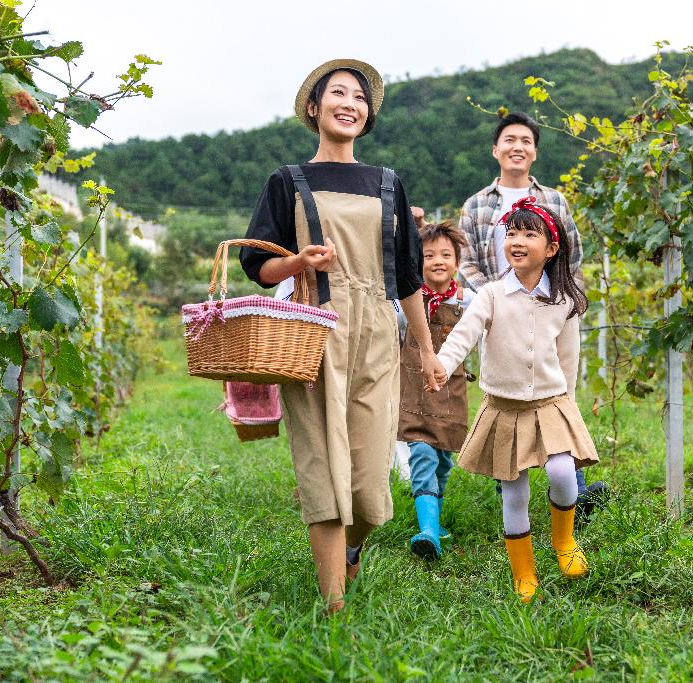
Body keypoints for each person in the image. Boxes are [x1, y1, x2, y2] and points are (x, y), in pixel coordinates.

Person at [239, 59, 445, 613]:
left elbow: (407, 276)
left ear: (367, 113)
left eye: (358, 97)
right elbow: (256, 264)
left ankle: (353, 550)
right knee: (322, 465)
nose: (349, 103)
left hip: (379, 330)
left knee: (370, 479)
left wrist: (426, 350)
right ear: (314, 108)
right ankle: (332, 609)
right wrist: (298, 262)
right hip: (314, 329)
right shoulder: (287, 181)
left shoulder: (387, 182)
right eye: (338, 94)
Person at [431, 196, 599, 602]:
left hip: (551, 403)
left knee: (562, 474)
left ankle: (564, 542)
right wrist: (441, 364)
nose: (517, 241)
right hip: (504, 407)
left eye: (529, 234)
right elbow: (463, 336)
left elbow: (568, 361)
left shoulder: (564, 301)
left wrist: (570, 410)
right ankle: (524, 572)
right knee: (515, 492)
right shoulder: (491, 294)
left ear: (552, 248)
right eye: (511, 234)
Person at [457, 111, 606, 518]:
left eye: (525, 140)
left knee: (555, 386)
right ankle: (510, 483)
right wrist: (492, 294)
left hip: (546, 308)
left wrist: (564, 295)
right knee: (507, 395)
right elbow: (465, 259)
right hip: (500, 314)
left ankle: (573, 489)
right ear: (495, 149)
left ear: (535, 152)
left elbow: (571, 254)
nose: (516, 146)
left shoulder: (554, 201)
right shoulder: (475, 205)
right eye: (509, 139)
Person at [396, 221, 474, 560]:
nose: (437, 261)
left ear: (457, 262)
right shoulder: (406, 304)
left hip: (450, 393)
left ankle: (435, 521)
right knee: (423, 454)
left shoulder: (467, 301)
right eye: (428, 255)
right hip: (414, 393)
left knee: (443, 460)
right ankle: (426, 529)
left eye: (446, 254)